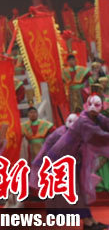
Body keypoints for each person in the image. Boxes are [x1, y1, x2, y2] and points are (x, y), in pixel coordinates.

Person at [38, 95, 109, 229]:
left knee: (81, 192)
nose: (93, 108)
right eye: (90, 104)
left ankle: (90, 220)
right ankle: (87, 222)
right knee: (76, 192)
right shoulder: (81, 123)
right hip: (64, 163)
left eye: (97, 105)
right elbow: (100, 136)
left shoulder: (94, 119)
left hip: (76, 162)